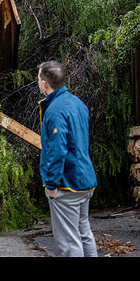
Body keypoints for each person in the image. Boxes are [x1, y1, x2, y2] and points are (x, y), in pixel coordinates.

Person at [37, 60, 98, 257]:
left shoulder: (55, 110)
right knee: (84, 233)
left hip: (67, 183)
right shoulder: (77, 103)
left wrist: (51, 184)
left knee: (69, 243)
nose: (38, 82)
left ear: (45, 83)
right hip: (85, 179)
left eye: (38, 78)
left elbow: (57, 150)